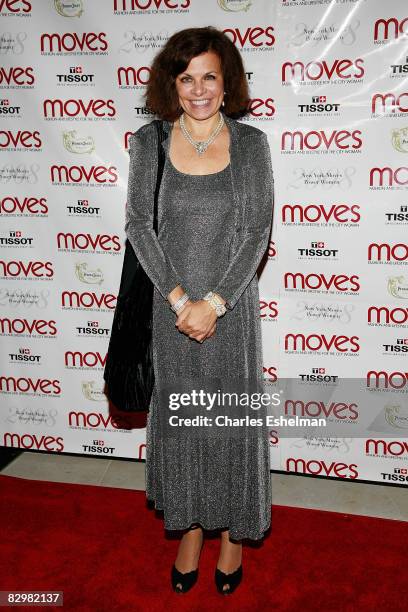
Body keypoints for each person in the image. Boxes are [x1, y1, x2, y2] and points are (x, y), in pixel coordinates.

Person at [124, 26, 274, 595]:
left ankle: (233, 534)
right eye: (186, 78)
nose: (198, 89)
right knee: (185, 422)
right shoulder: (149, 142)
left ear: (226, 80)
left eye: (209, 76)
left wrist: (214, 303)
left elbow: (257, 229)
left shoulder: (252, 143)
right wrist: (181, 300)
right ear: (172, 84)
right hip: (171, 310)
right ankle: (188, 527)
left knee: (228, 421)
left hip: (231, 312)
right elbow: (140, 224)